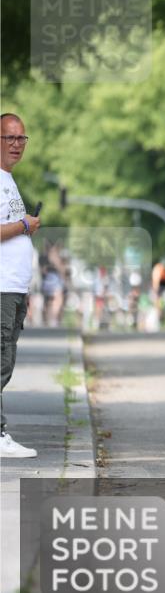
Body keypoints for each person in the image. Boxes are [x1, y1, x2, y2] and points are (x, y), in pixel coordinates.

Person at [0, 112, 40, 458]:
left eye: (21, 138)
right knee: (0, 361)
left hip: (13, 287)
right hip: (1, 288)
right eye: (9, 138)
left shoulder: (8, 180)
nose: (16, 145)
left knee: (5, 360)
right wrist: (24, 226)